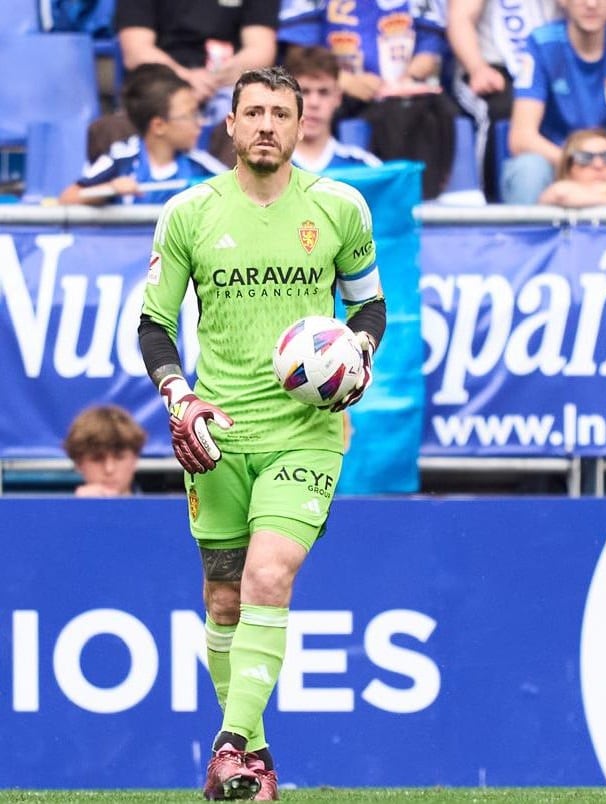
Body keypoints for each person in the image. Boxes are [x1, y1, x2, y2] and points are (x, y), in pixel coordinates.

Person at [138, 66, 386, 800]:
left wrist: (359, 352)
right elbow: (154, 323)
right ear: (232, 125)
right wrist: (179, 396)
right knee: (223, 601)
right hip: (215, 433)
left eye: (282, 112)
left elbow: (370, 307)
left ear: (302, 123)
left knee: (268, 577)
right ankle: (256, 762)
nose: (269, 124)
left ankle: (226, 744)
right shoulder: (189, 211)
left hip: (305, 432)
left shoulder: (339, 206)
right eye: (255, 112)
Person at [278, 0, 456, 199]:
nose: (313, 102)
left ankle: (417, 199)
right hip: (337, 87)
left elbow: (430, 48)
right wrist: (344, 81)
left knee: (424, 111)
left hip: (397, 91)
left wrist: (405, 80)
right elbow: (299, 52)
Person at [501, 0, 606, 204]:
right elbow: (521, 138)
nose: (591, 4)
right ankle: (526, 236)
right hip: (558, 163)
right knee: (528, 168)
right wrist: (581, 163)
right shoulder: (541, 41)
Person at [59, 64, 227, 206]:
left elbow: (237, 194)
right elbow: (67, 198)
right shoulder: (121, 158)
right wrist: (111, 188)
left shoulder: (200, 165)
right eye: (190, 115)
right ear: (159, 126)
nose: (200, 123)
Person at [447, 0, 562, 200]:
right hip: (491, 67)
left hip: (551, 62)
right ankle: (489, 202)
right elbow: (460, 18)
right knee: (497, 111)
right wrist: (477, 68)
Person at [115, 0, 280, 125]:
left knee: (249, 118)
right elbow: (136, 52)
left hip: (227, 82)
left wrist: (212, 80)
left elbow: (261, 50)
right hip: (163, 82)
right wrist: (187, 78)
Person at [284, 45, 383, 171]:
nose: (314, 103)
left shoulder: (366, 168)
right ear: (285, 97)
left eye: (324, 92)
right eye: (304, 92)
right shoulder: (267, 168)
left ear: (338, 97)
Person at [63, 404, 147, 497]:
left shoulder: (161, 510)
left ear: (135, 459)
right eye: (97, 459)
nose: (109, 469)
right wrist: (80, 508)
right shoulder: (57, 511)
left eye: (119, 457)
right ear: (78, 463)